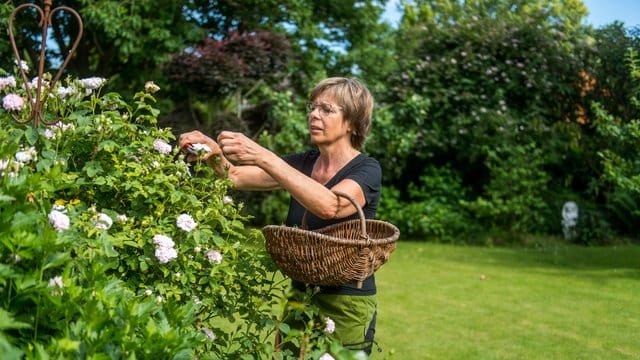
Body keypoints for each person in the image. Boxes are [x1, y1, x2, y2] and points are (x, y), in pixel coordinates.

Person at [178, 77, 381, 354]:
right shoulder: (304, 162)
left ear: (352, 123)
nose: (313, 114)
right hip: (300, 294)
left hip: (346, 301)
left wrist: (264, 156)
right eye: (313, 107)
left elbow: (330, 205)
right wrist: (212, 150)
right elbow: (234, 175)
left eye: (327, 109)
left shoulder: (367, 169)